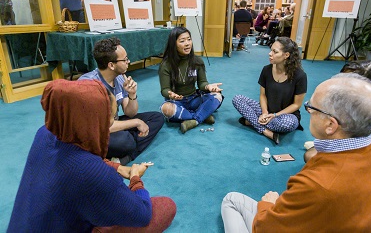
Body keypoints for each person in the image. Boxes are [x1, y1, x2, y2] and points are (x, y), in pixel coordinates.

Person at [222, 73, 371, 232]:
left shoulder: (317, 185)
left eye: (311, 107)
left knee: (231, 200)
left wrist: (267, 205)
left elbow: (265, 229)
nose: (308, 110)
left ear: (331, 125)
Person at [7, 79, 176, 232]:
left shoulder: (44, 133)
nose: (109, 128)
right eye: (109, 122)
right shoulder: (92, 172)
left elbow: (75, 160)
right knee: (165, 207)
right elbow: (141, 214)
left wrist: (116, 167)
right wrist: (135, 180)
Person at [79, 38, 164, 165]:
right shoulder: (90, 85)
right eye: (124, 60)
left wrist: (132, 94)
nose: (128, 62)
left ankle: (123, 158)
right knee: (126, 141)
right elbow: (101, 127)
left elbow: (130, 113)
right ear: (111, 65)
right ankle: (126, 153)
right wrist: (136, 122)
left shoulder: (118, 77)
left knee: (157, 118)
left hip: (114, 123)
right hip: (94, 132)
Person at [304, 60, 371, 162]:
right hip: (349, 144)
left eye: (349, 81)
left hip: (361, 156)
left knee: (312, 157)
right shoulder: (353, 103)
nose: (340, 83)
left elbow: (363, 148)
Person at [232, 37, 307, 144]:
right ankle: (266, 131)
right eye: (271, 50)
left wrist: (275, 115)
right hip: (267, 111)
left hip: (286, 116)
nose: (270, 54)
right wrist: (264, 113)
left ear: (286, 55)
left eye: (275, 52)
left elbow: (296, 105)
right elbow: (263, 95)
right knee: (237, 99)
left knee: (287, 124)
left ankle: (252, 121)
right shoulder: (266, 70)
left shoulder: (300, 76)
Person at [158, 27, 224, 134]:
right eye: (182, 41)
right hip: (177, 102)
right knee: (166, 109)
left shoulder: (197, 61)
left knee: (217, 96)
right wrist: (170, 94)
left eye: (189, 39)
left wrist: (208, 87)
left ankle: (193, 120)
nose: (187, 43)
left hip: (194, 99)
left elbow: (202, 83)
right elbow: (164, 89)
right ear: (174, 44)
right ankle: (202, 115)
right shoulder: (166, 65)